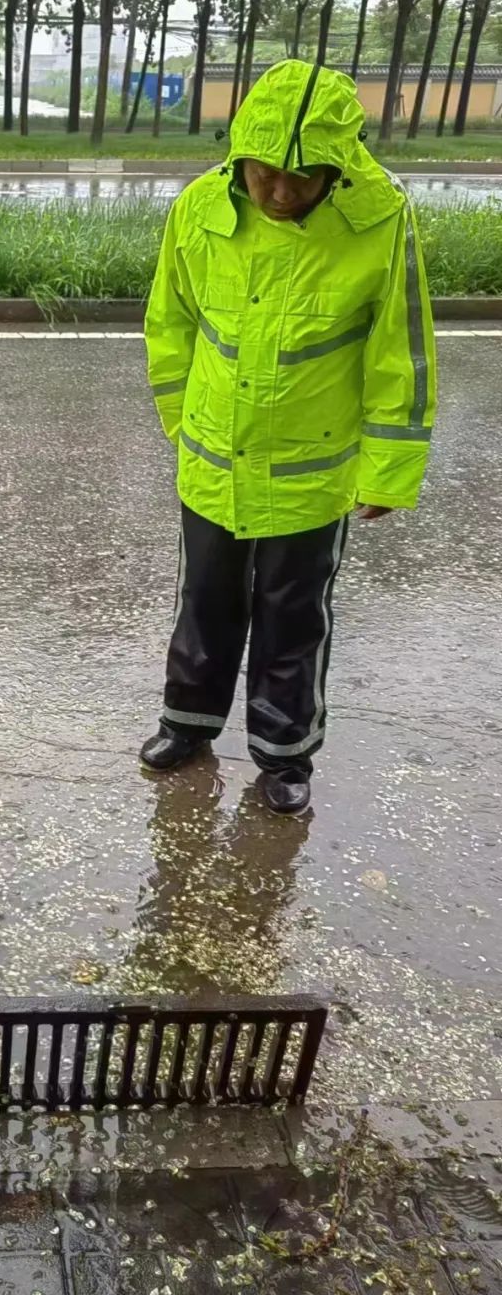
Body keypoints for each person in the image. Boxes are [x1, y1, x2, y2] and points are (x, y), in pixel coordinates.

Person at [139, 59, 437, 814]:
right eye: (264, 170)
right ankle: (189, 721)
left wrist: (388, 472)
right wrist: (181, 420)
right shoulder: (202, 207)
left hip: (311, 475)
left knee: (292, 617)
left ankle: (283, 751)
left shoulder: (379, 220)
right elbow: (169, 322)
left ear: (338, 168)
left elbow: (400, 351)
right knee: (203, 601)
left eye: (300, 178)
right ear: (240, 151)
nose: (278, 190)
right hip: (211, 459)